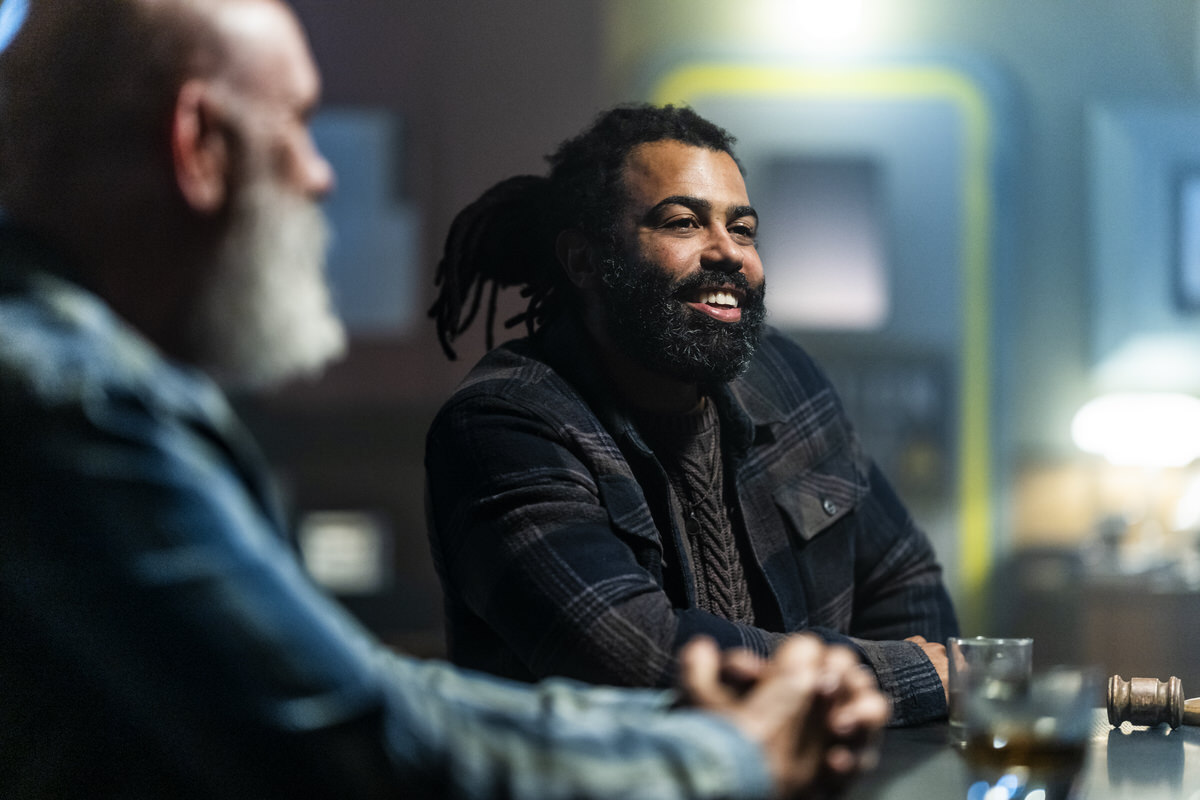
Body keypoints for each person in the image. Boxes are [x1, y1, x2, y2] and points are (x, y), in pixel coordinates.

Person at [0, 1, 890, 797]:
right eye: (300, 125)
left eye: (742, 225)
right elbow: (360, 746)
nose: (321, 175)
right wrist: (732, 759)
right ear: (198, 144)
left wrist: (690, 728)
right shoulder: (73, 408)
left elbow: (372, 689)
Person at [425, 103, 959, 727]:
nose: (728, 253)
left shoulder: (786, 378)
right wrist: (908, 678)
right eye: (682, 223)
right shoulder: (502, 426)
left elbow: (903, 578)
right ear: (584, 261)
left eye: (744, 227)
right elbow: (635, 654)